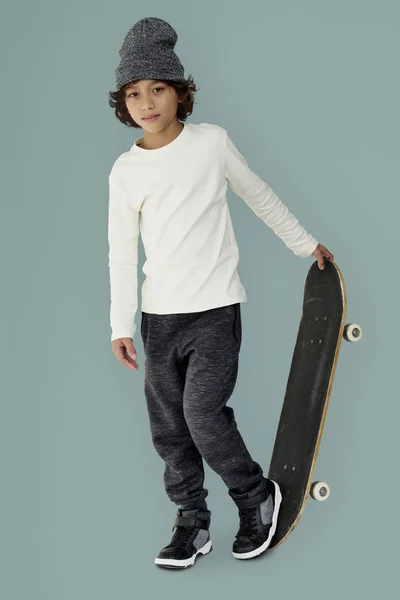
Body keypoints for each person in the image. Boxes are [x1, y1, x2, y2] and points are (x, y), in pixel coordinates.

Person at [107, 17, 334, 570]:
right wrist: (120, 324)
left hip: (213, 311)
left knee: (203, 415)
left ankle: (256, 496)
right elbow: (120, 252)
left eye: (157, 88)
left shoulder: (211, 144)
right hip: (160, 321)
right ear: (123, 103)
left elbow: (259, 196)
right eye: (134, 93)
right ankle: (192, 522)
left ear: (179, 91)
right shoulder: (126, 170)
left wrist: (306, 245)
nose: (147, 102)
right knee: (169, 430)